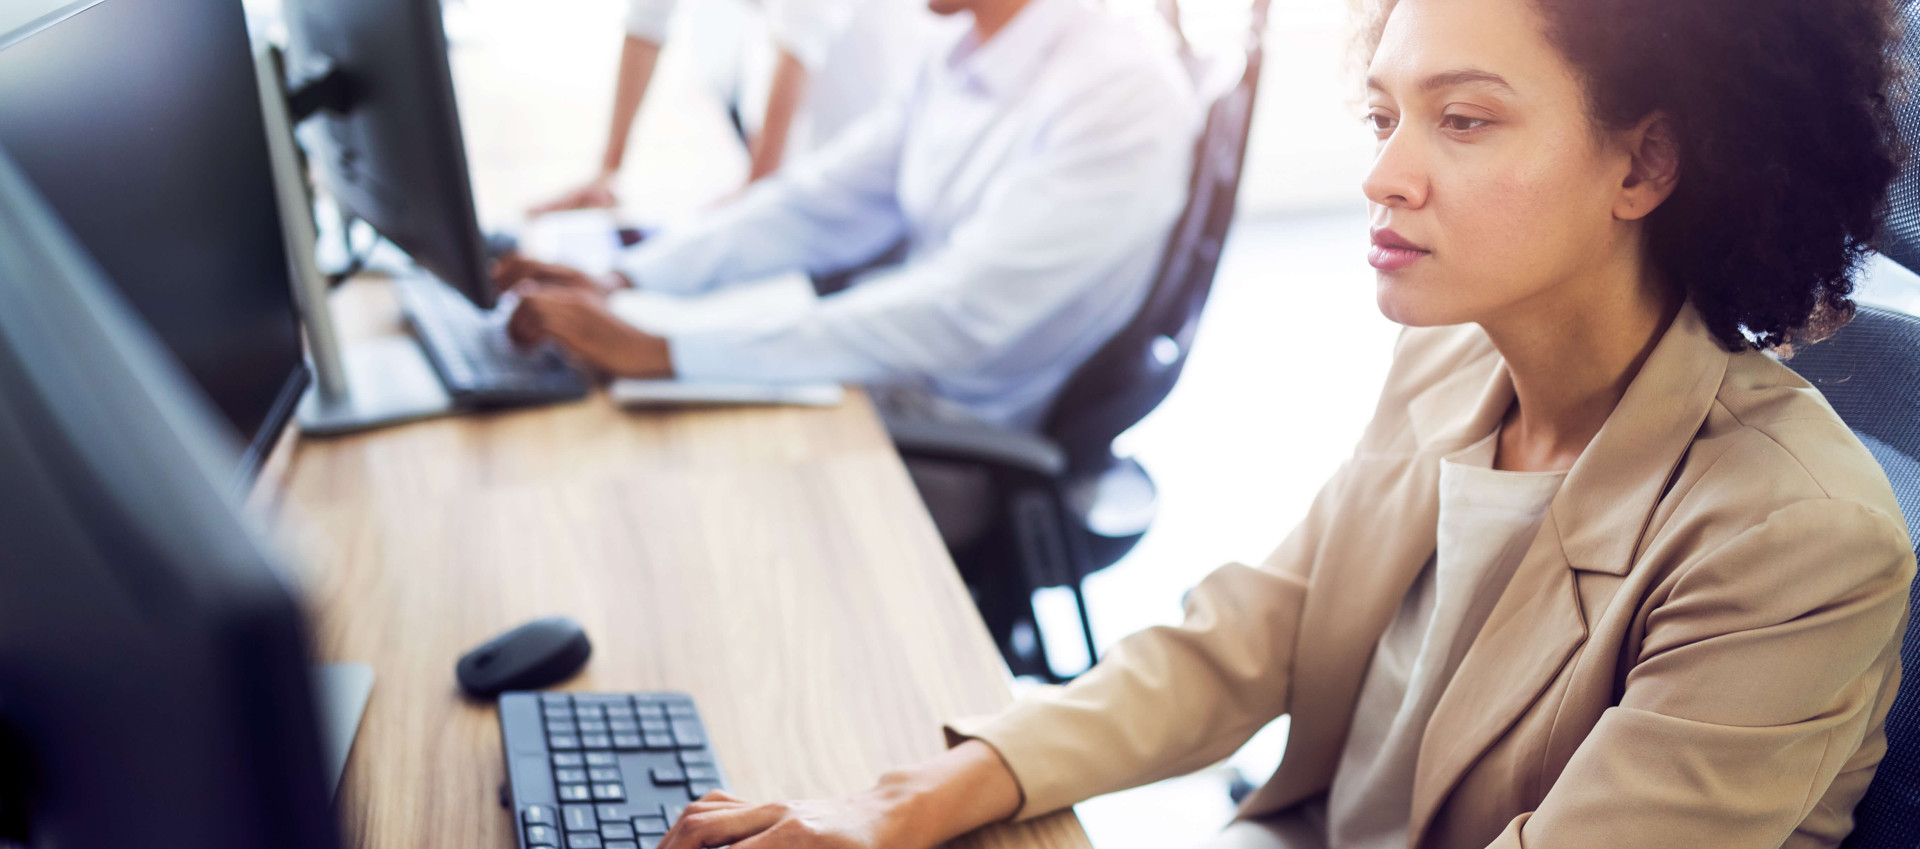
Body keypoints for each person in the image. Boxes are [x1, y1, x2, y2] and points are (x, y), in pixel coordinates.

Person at [631, 0, 1919, 846]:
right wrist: (900, 802)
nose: (1382, 174)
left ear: (1644, 165)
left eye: (1462, 120)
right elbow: (1255, 629)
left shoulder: (1795, 540)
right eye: (1384, 114)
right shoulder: (1454, 370)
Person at [496, 0, 1200, 436]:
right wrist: (624, 278)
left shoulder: (1121, 95)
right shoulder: (958, 52)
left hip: (956, 426)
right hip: (893, 373)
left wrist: (667, 347)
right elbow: (813, 207)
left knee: (642, 453)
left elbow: (952, 314)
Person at [529, 0, 934, 214]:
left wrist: (754, 192)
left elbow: (798, 45)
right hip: (791, 107)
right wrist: (608, 171)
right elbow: (647, 21)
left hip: (866, 118)